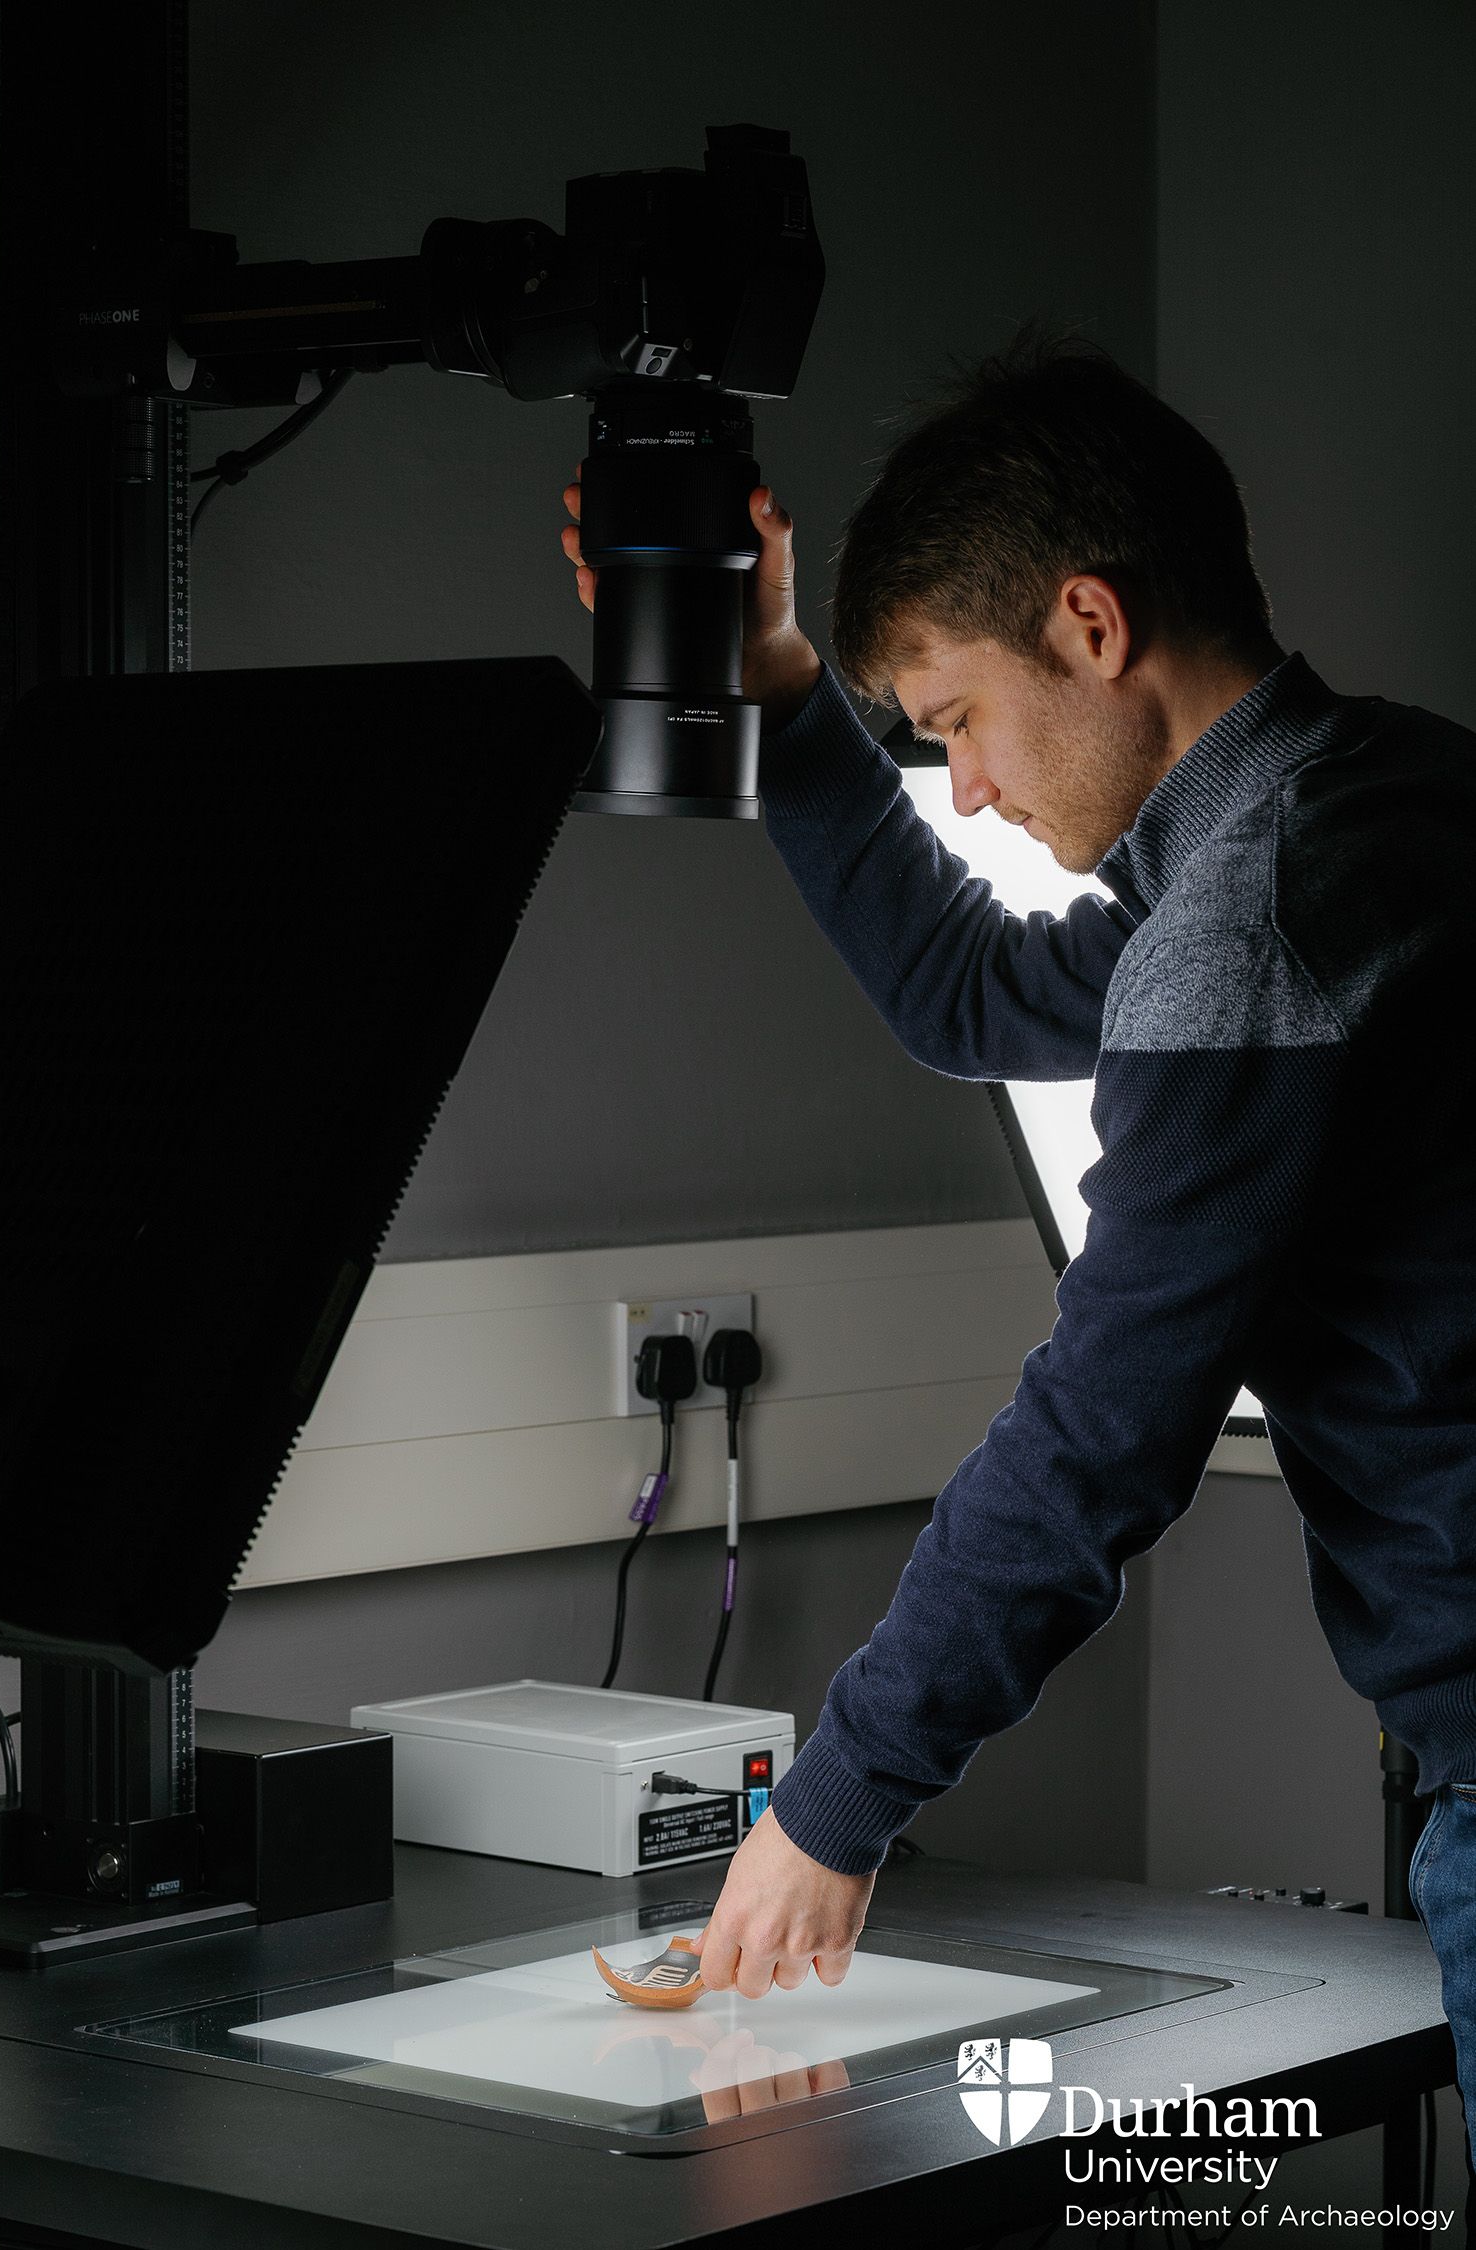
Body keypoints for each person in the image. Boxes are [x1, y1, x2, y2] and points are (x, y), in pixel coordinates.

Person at [560, 335, 1476, 2148]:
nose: (965, 791)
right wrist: (783, 686)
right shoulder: (1393, 799)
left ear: (1088, 622)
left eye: (961, 721)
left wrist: (832, 1807)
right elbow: (967, 986)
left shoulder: (1250, 929)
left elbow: (1098, 1438)